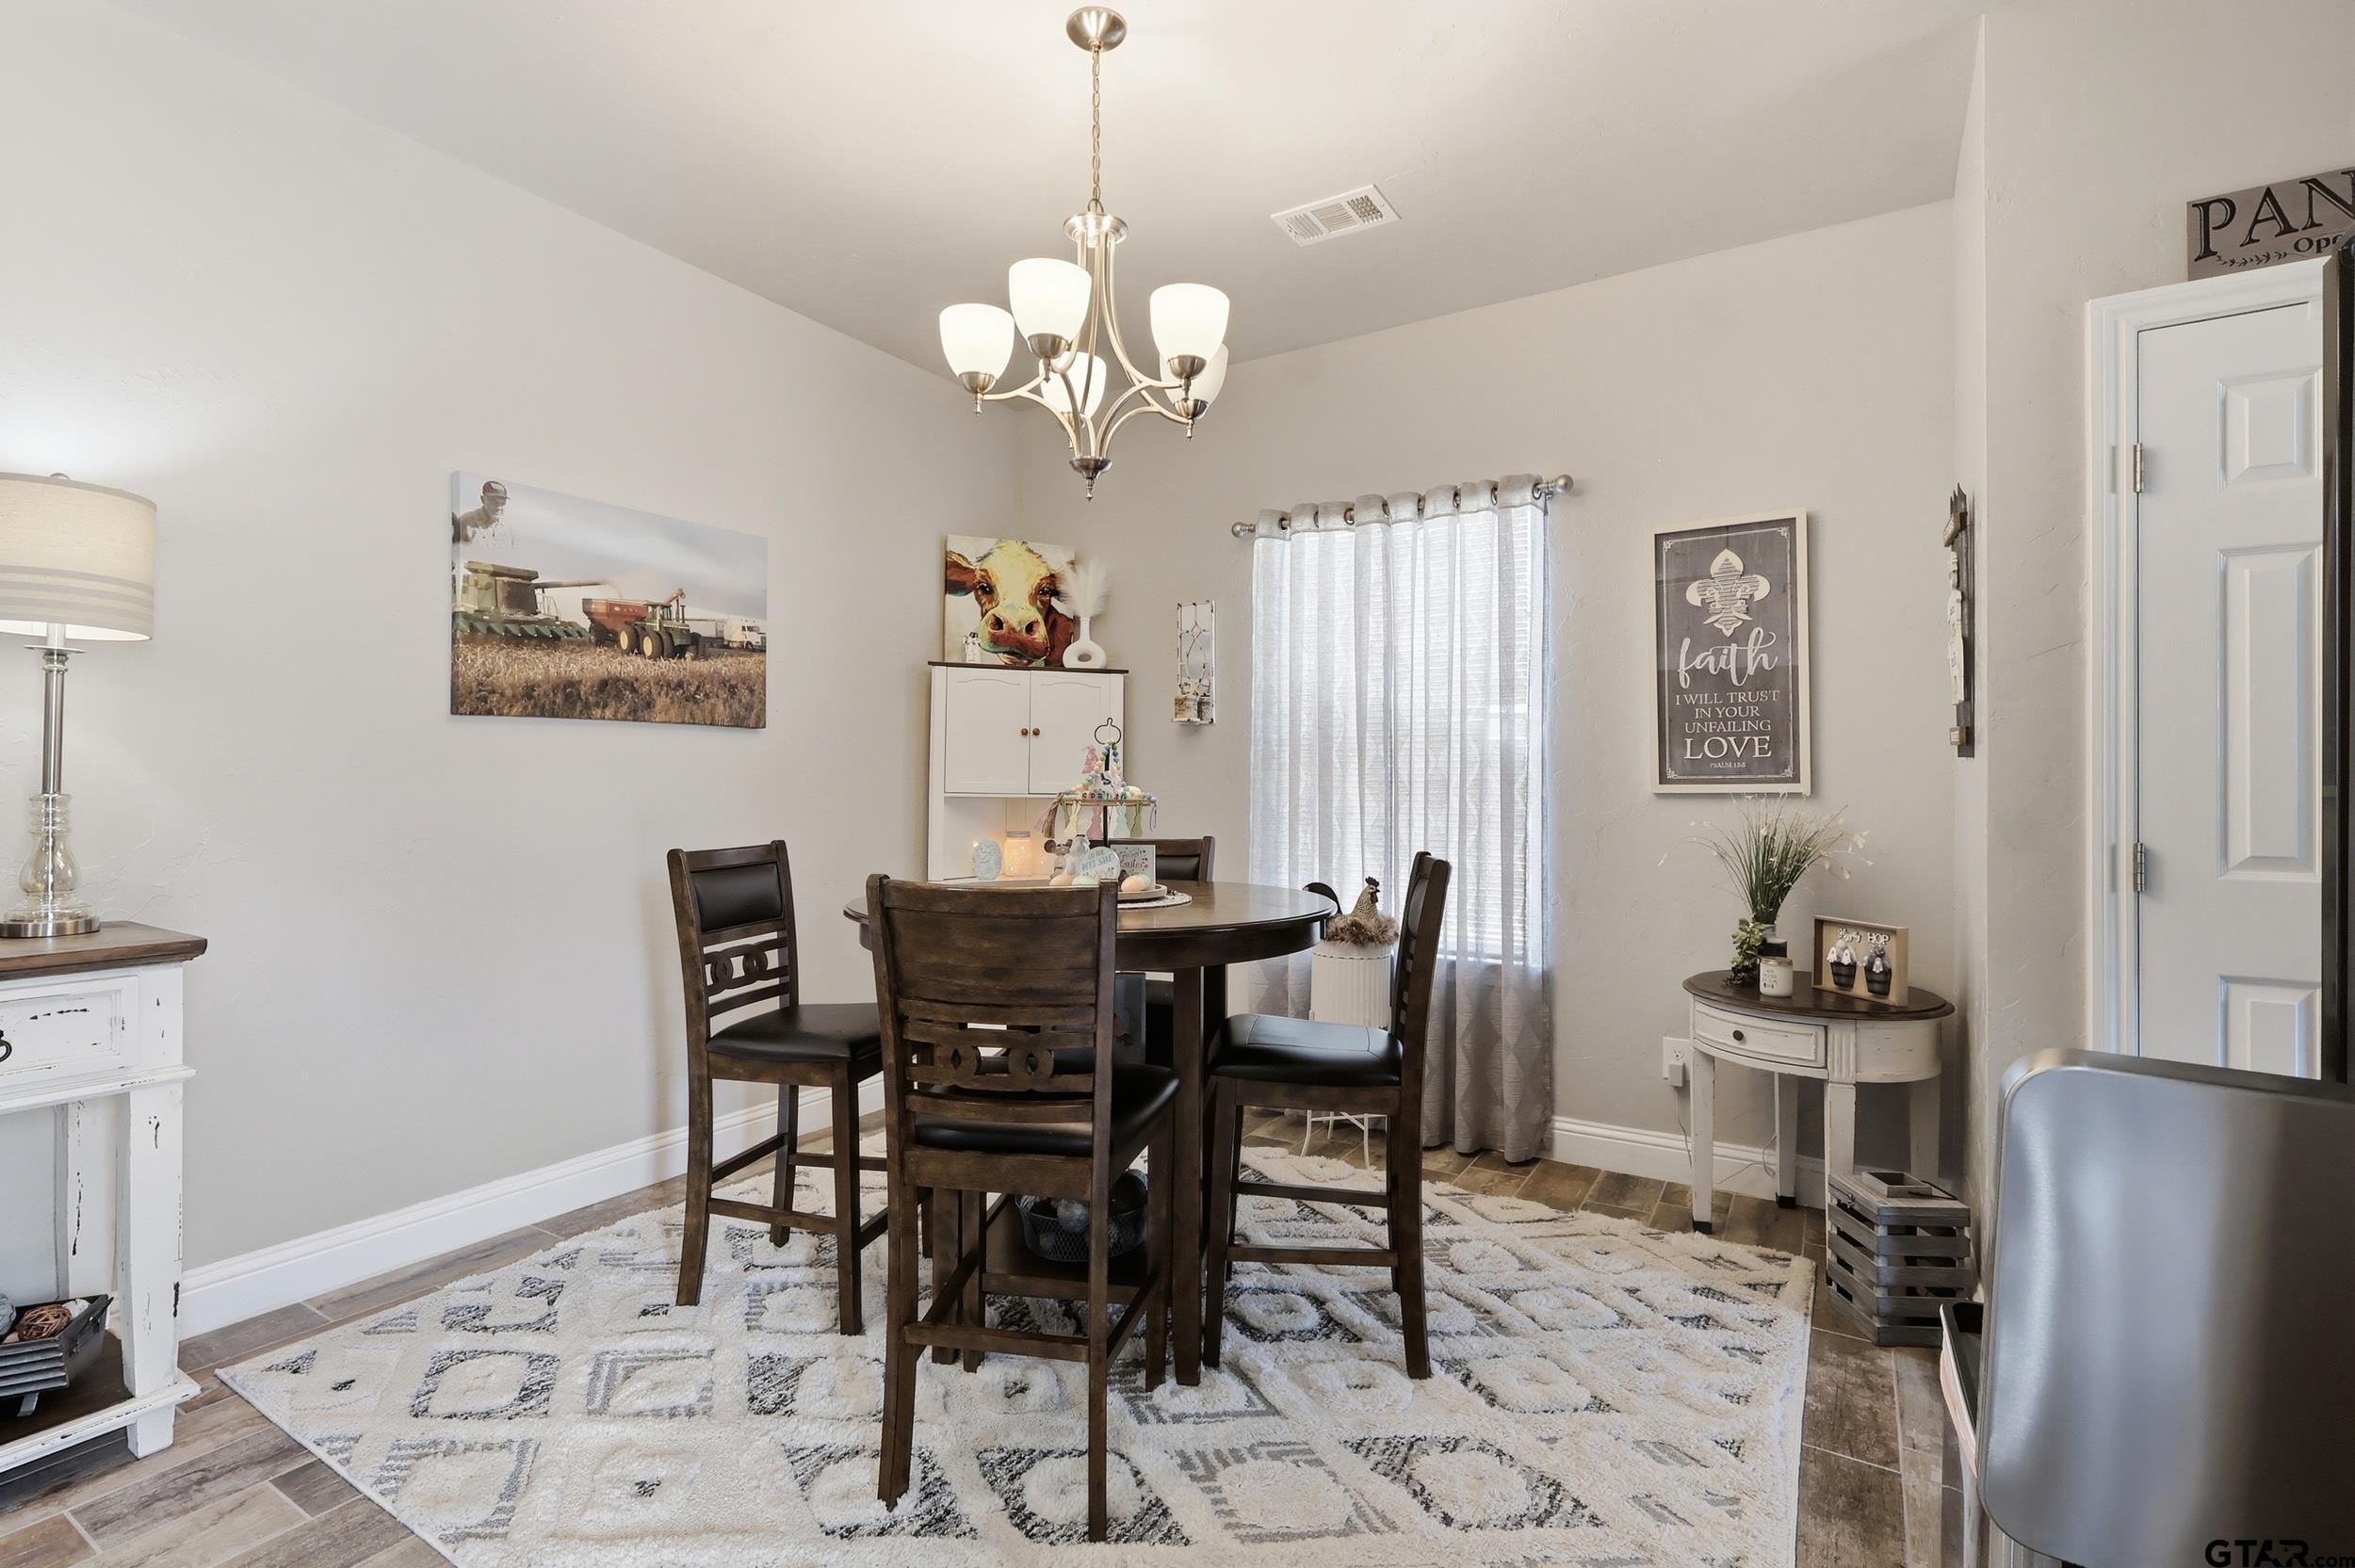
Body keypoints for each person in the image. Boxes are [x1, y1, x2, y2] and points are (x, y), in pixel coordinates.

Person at [451, 479, 509, 544]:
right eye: (493, 501)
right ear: (483, 500)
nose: (498, 506)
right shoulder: (465, 521)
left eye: (503, 501)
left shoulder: (508, 526)